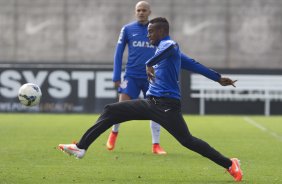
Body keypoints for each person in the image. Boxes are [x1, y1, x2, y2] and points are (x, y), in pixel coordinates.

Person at [58, 17, 243, 182]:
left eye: (151, 32)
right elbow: (195, 64)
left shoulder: (169, 45)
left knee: (188, 141)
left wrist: (149, 63)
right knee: (111, 110)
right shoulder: (165, 51)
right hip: (150, 103)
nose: (148, 36)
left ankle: (229, 164)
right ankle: (81, 148)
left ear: (162, 31)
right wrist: (218, 78)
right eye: (147, 32)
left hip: (167, 106)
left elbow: (173, 47)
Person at [108, 1, 166, 154]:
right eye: (138, 10)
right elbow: (119, 52)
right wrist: (116, 75)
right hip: (131, 76)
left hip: (152, 77)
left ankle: (156, 145)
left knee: (156, 109)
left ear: (149, 12)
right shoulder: (127, 29)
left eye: (144, 10)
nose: (141, 12)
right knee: (120, 106)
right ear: (135, 12)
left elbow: (166, 51)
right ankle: (114, 133)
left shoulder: (157, 30)